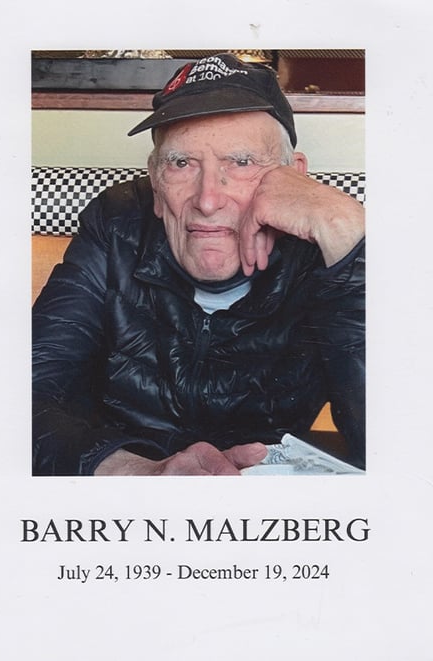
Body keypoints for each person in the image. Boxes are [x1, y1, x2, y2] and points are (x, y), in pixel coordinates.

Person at [33, 54, 365, 476]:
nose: (208, 199)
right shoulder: (115, 222)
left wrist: (346, 232)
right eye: (181, 163)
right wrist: (134, 472)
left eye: (241, 162)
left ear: (293, 178)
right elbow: (24, 392)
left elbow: (401, 449)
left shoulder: (325, 246)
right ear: (155, 182)